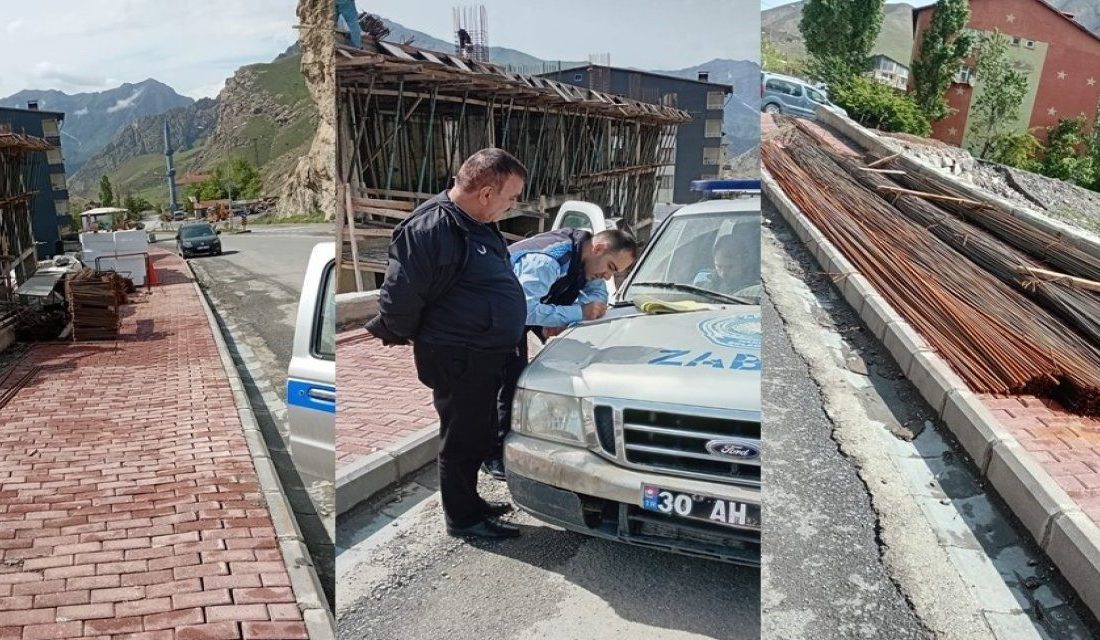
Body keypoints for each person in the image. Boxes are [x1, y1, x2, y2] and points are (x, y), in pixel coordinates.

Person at [366, 148, 528, 540]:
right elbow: (398, 298)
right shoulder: (432, 228)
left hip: (482, 352)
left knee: (478, 432)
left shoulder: (474, 221)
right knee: (461, 439)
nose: (512, 206)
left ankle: (471, 503)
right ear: (487, 193)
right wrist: (401, 331)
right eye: (510, 197)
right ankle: (463, 519)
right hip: (458, 355)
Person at [483, 227, 639, 480]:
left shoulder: (587, 257)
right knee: (506, 383)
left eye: (614, 272)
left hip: (517, 310)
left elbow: (597, 293)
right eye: (610, 267)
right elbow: (524, 310)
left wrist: (573, 311)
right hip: (492, 315)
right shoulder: (549, 260)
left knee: (524, 374)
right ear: (598, 248)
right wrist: (577, 312)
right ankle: (491, 454)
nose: (607, 276)